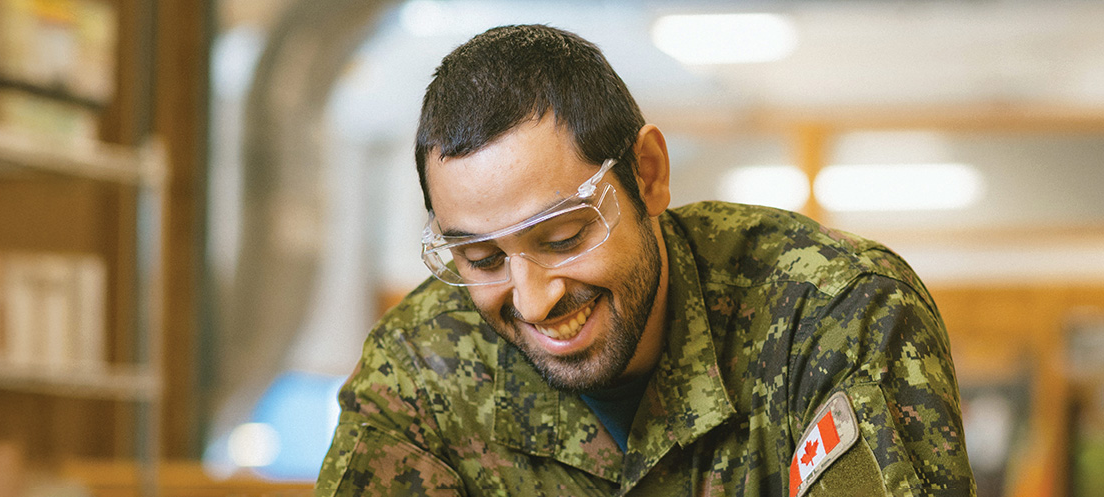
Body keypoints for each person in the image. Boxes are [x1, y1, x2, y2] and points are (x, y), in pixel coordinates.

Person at [317, 24, 974, 496]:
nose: (533, 298)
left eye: (562, 236)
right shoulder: (418, 368)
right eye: (482, 256)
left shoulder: (831, 315)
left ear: (649, 175)